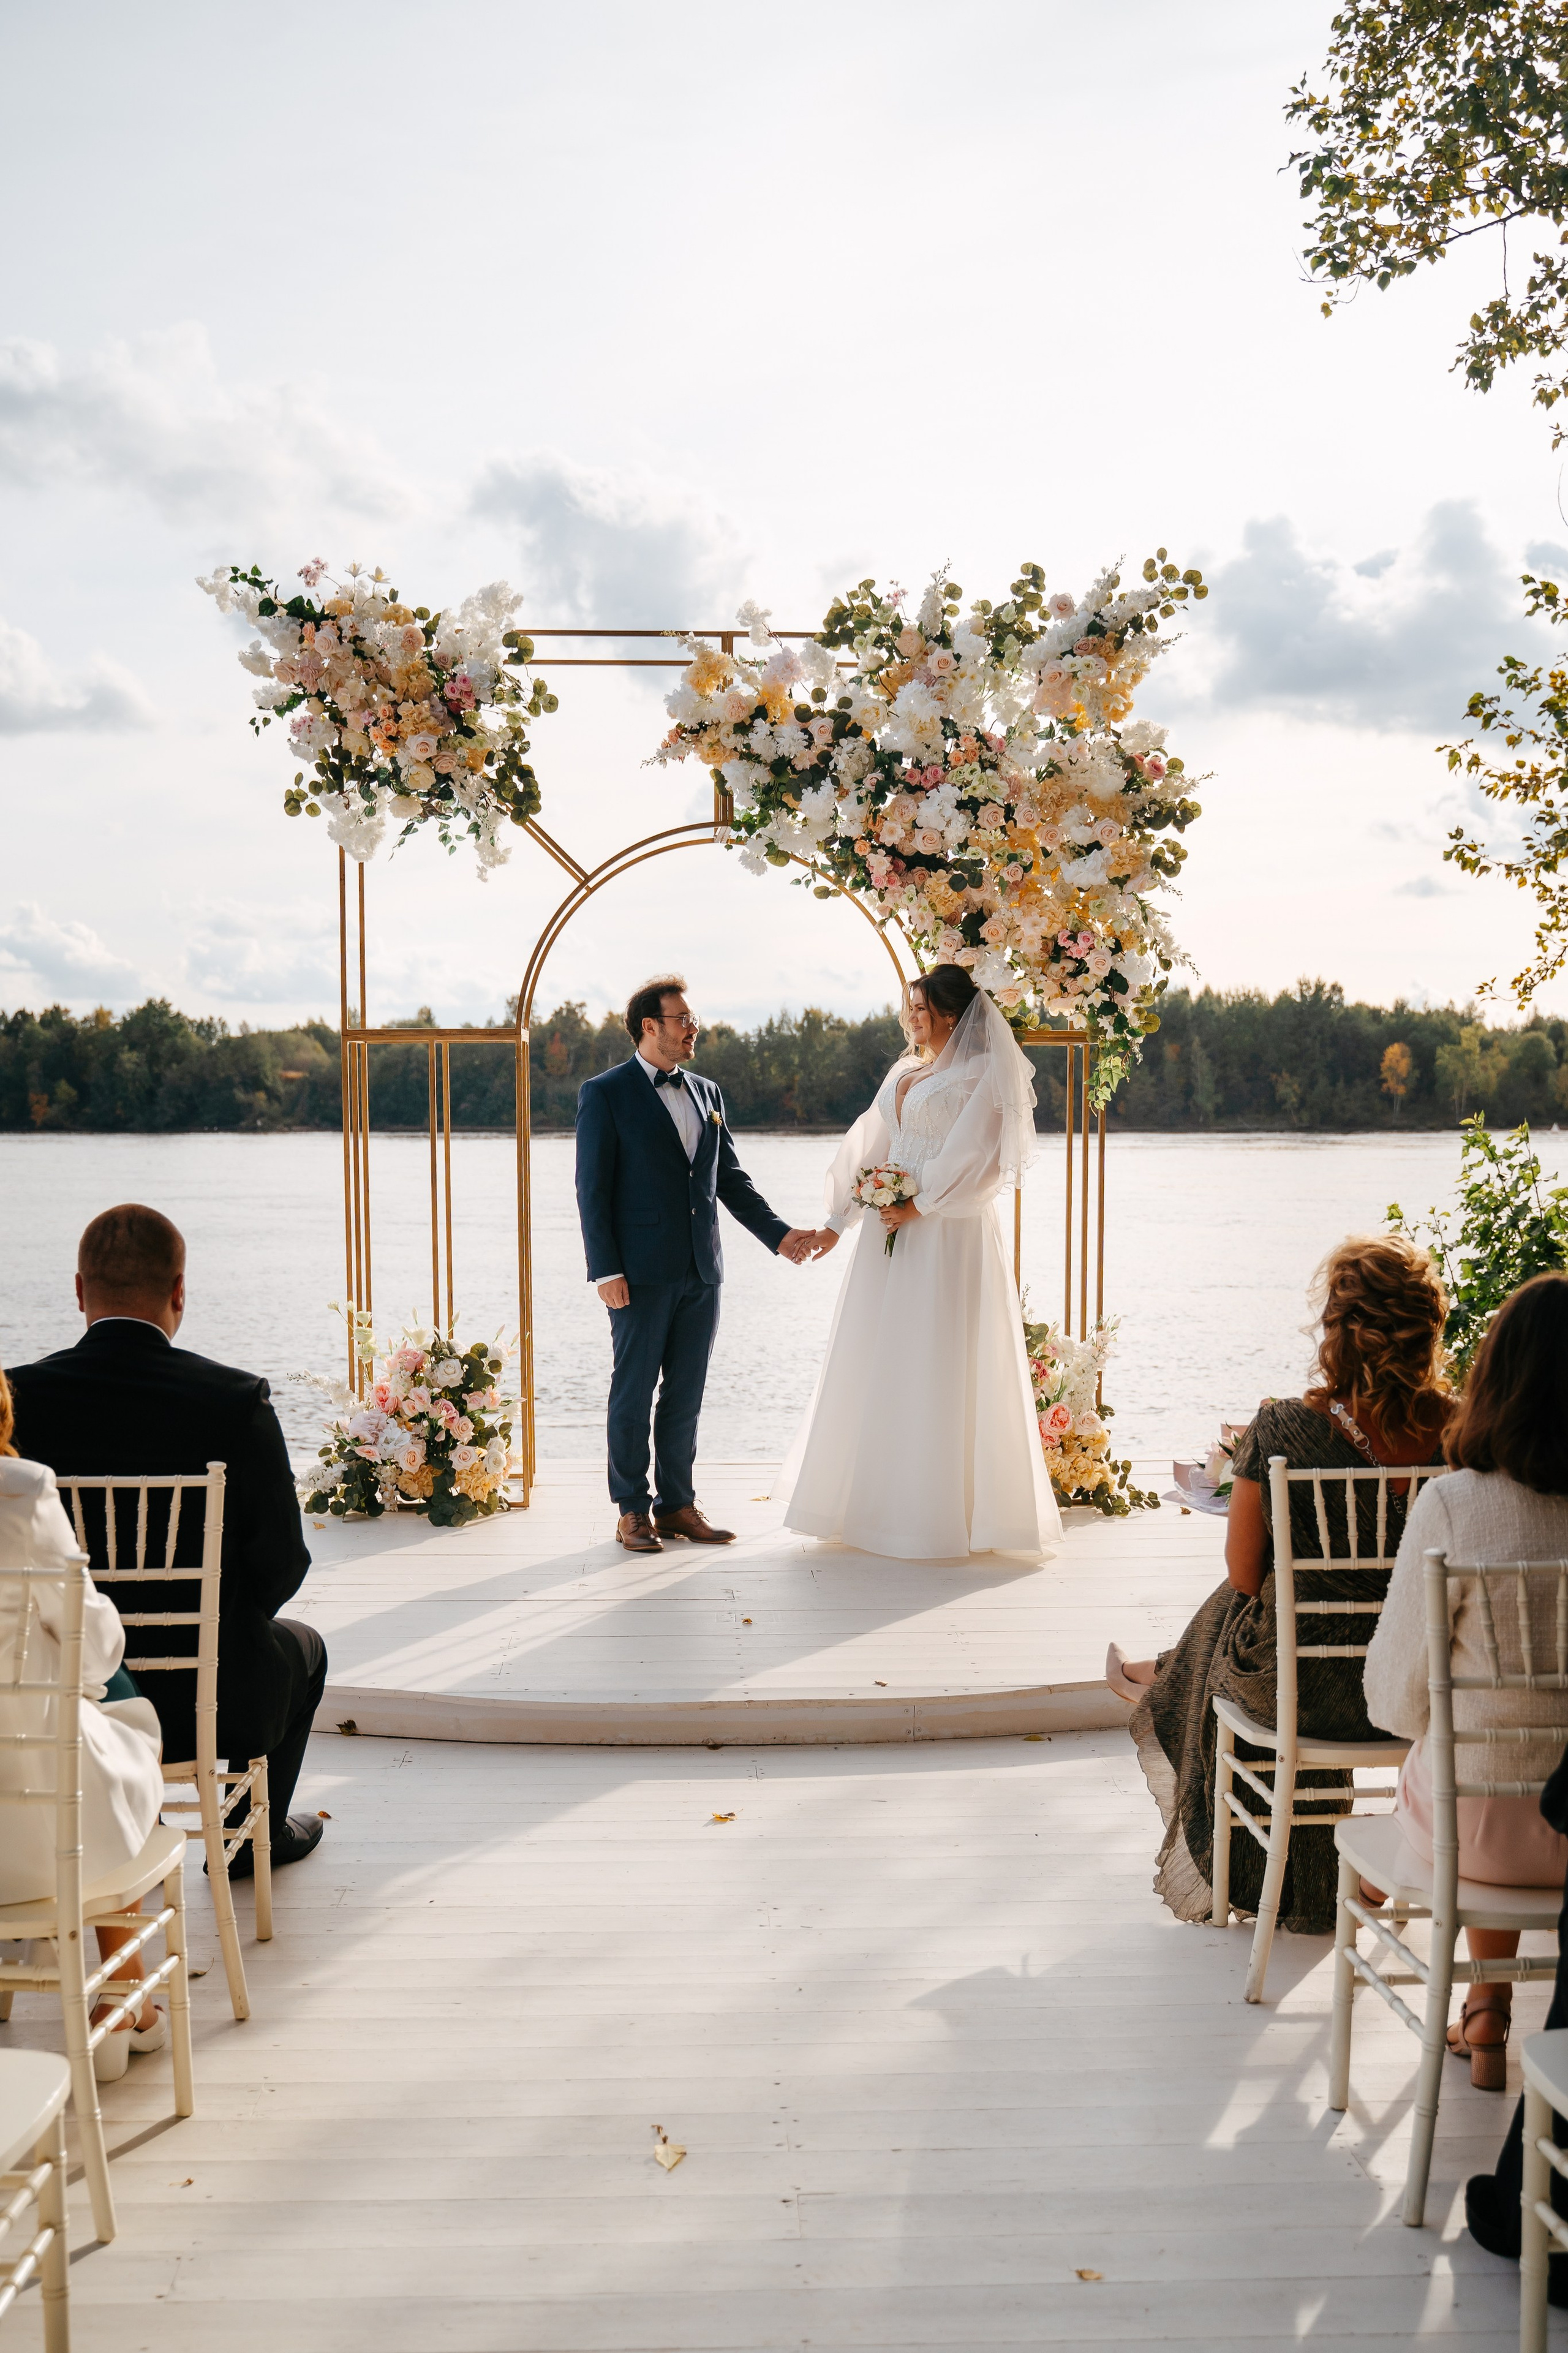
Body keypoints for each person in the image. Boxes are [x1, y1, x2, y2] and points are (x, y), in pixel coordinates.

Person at [1114, 1234, 1453, 1932]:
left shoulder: (1284, 1426)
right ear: (1427, 1328)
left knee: (1249, 1602)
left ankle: (1166, 1678)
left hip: (1303, 1694)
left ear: (1335, 1329)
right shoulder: (1461, 1431)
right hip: (1418, 1689)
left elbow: (1243, 1573)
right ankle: (1164, 1672)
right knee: (1266, 1603)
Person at [6, 1203, 327, 1876]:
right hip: (210, 1701)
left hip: (68, 1706)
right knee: (304, 1647)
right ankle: (240, 1841)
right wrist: (223, 1623)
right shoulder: (236, 1402)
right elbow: (282, 1563)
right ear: (180, 1292)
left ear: (78, 1291)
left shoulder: (18, 1399)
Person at [775, 964, 1061, 1562]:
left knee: (940, 1357)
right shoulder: (907, 1072)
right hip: (891, 1232)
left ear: (952, 1017)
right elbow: (872, 1145)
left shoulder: (986, 1073)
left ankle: (940, 1515)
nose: (911, 1018)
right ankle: (874, 1507)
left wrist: (921, 1203)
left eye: (921, 1009)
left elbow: (980, 1155)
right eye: (909, 1007)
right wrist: (838, 1220)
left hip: (945, 1233)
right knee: (885, 1358)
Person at [1363, 1272, 1568, 2088]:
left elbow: (1393, 1695)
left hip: (1474, 1837)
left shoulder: (1452, 1504)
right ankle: (1487, 2003)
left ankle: (1481, 2011)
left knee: (1448, 1770)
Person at [575, 975, 817, 1555]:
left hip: (702, 1271)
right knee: (632, 1392)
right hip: (635, 1274)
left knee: (686, 1392)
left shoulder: (708, 1093)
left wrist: (780, 1236)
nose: (693, 1027)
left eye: (693, 1018)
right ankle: (632, 1509)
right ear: (650, 1026)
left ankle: (678, 1505)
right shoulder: (604, 1092)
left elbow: (729, 1180)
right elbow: (592, 1190)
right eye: (682, 1018)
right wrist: (605, 1270)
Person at [0, 1366, 168, 2078]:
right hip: (35, 1838)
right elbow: (93, 1645)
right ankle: (123, 1996)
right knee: (118, 1741)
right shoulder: (22, 1493)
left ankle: (124, 2001)